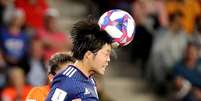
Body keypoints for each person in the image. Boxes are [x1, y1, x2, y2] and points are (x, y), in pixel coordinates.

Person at [45, 18, 113, 101]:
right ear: (89, 55)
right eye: (106, 54)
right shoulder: (67, 80)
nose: (108, 59)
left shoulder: (90, 80)